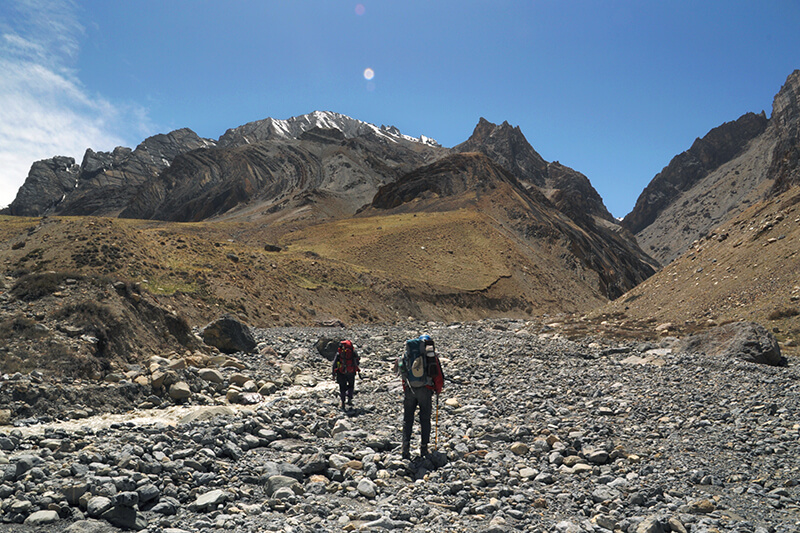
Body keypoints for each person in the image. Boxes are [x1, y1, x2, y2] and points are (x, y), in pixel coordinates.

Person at [396, 334, 444, 459]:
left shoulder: (408, 354)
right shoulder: (430, 356)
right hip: (425, 390)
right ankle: (424, 448)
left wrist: (406, 388)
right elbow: (438, 376)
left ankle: (405, 449)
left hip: (409, 389)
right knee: (425, 419)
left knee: (408, 419)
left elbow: (403, 373)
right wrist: (437, 390)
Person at [332, 339, 360, 410]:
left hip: (341, 372)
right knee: (351, 385)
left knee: (342, 387)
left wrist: (333, 373)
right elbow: (357, 360)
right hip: (351, 371)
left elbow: (334, 363)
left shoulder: (339, 353)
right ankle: (349, 399)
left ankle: (343, 403)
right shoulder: (353, 352)